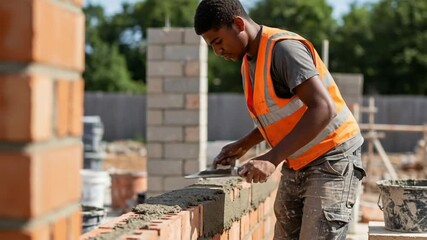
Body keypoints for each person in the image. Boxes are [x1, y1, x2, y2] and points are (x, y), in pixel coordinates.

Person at [194, 0, 366, 239]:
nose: (217, 51)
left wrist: (271, 159)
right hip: (298, 161)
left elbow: (323, 108)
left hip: (332, 159)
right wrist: (244, 144)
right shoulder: (248, 63)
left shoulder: (284, 50)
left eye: (218, 41)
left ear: (238, 24)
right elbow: (279, 115)